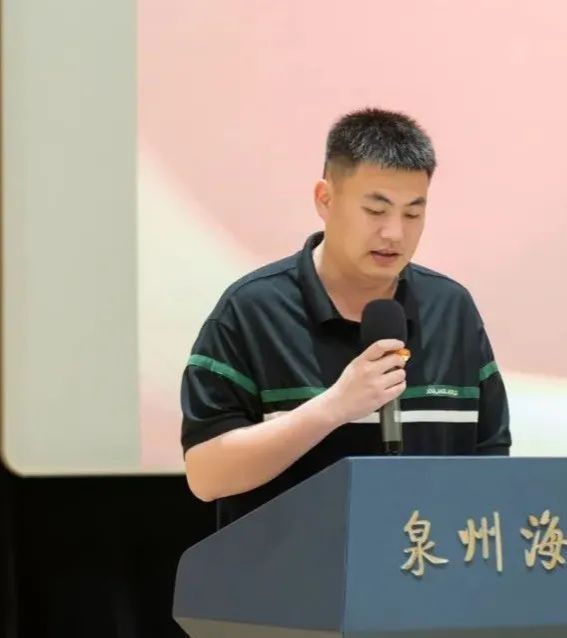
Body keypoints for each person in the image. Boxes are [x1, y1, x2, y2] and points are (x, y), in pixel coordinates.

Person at [180, 108, 510, 526]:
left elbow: (492, 461)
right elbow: (206, 476)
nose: (394, 233)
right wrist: (334, 407)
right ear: (325, 199)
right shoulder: (251, 310)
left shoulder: (451, 308)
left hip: (427, 561)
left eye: (413, 213)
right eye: (375, 210)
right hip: (295, 566)